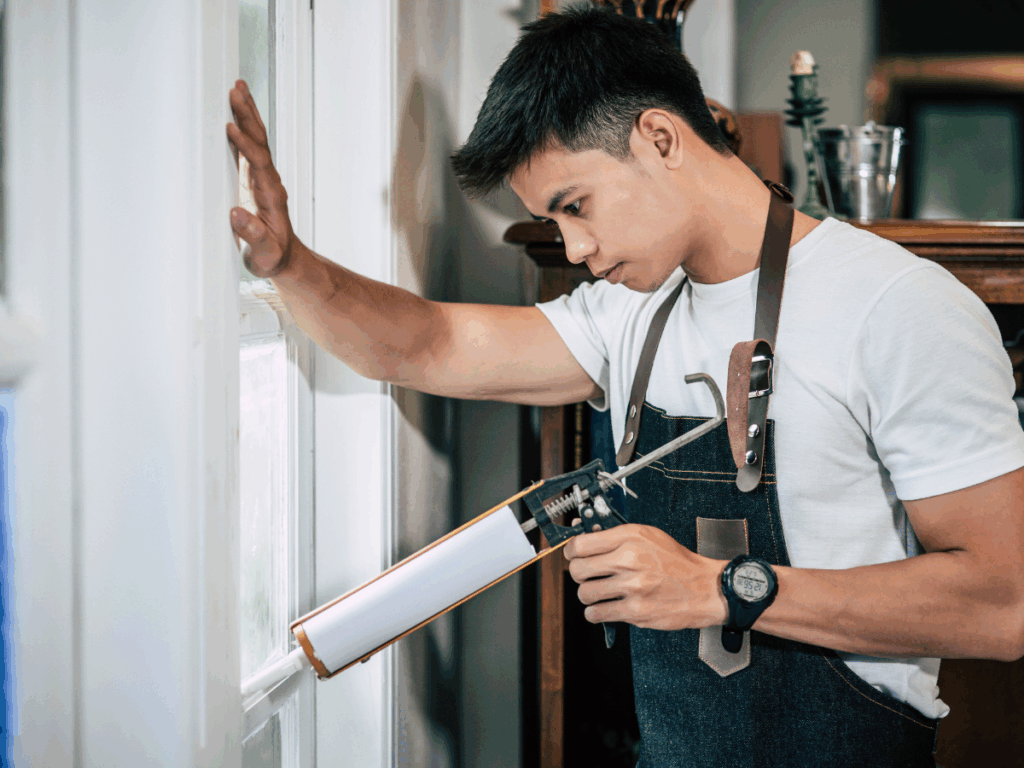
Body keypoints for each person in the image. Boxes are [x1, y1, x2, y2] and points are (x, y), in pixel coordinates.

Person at [225, 7, 1024, 766]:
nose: (572, 247)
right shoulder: (628, 313)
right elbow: (425, 346)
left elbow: (1003, 604)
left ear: (660, 137)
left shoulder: (898, 307)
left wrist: (725, 590)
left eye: (575, 206)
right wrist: (291, 266)